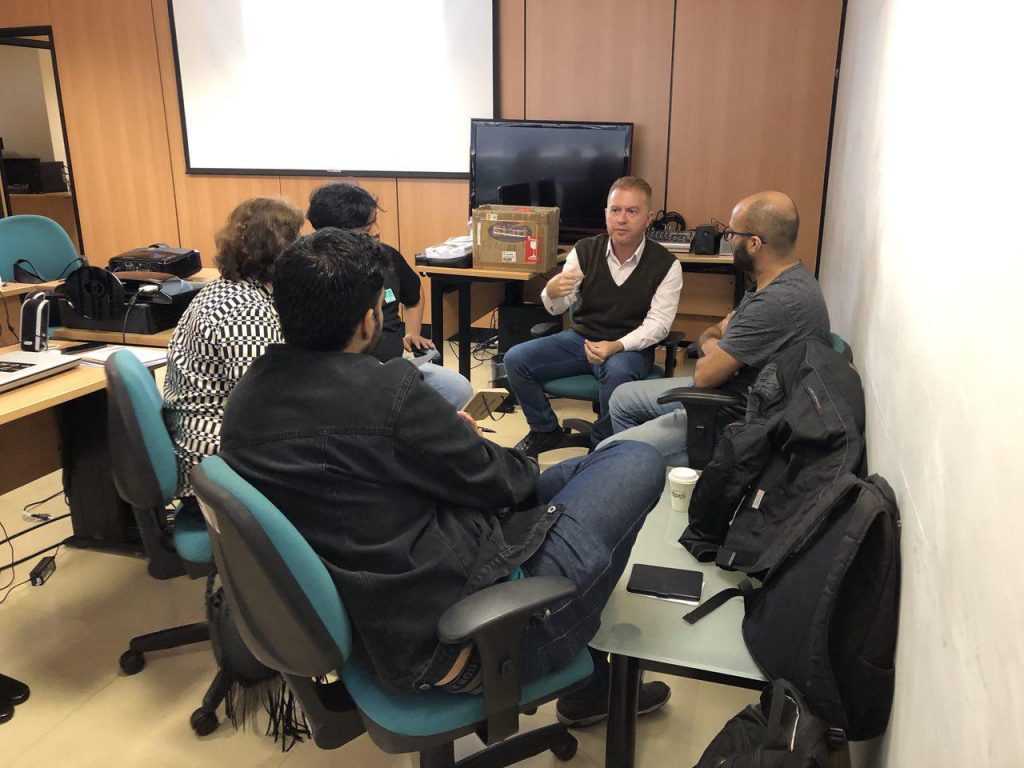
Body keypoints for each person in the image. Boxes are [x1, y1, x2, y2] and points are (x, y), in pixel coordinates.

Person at [217, 228, 672, 727]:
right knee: (635, 459)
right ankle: (590, 676)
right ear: (369, 321)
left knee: (580, 470)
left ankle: (593, 673)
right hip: (470, 640)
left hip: (376, 610)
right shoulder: (386, 393)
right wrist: (466, 442)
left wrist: (444, 444)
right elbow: (510, 482)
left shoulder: (245, 401)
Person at [600, 191, 831, 465]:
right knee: (621, 398)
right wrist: (715, 344)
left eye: (732, 233)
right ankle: (638, 470)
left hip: (732, 416)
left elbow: (704, 375)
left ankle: (629, 463)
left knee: (607, 450)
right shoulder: (779, 278)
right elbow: (717, 332)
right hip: (729, 388)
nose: (728, 240)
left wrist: (714, 346)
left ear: (754, 244)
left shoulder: (776, 302)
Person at [503, 176, 683, 454]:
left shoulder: (667, 264)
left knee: (618, 372)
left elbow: (658, 325)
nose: (621, 219)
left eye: (632, 211)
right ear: (606, 213)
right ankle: (544, 430)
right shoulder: (585, 250)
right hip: (580, 341)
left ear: (648, 218)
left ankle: (603, 445)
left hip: (629, 348)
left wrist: (616, 346)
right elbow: (560, 305)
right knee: (515, 359)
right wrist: (551, 292)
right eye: (615, 210)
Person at [163, 197, 303, 498]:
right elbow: (262, 407)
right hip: (216, 461)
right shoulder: (245, 311)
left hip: (209, 444)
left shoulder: (227, 288)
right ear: (283, 249)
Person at [306, 182, 473, 409]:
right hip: (347, 374)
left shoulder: (387, 256)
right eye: (367, 227)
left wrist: (412, 333)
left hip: (394, 365)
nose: (376, 231)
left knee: (457, 388)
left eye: (375, 221)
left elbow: (414, 295)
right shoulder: (318, 273)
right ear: (338, 234)